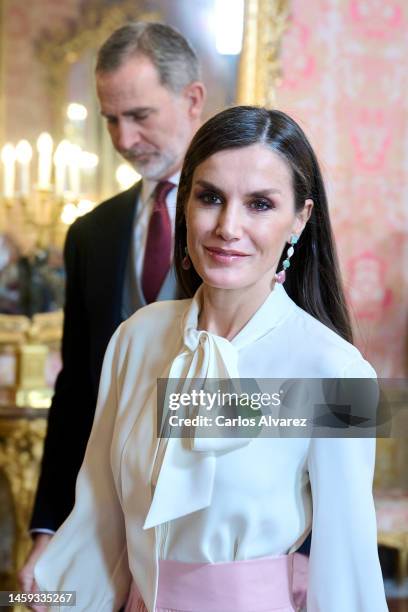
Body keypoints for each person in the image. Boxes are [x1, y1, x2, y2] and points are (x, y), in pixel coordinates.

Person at [34, 106, 388, 612]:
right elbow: (100, 520)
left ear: (300, 219)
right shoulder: (136, 339)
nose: (228, 226)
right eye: (211, 197)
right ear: (185, 205)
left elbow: (347, 562)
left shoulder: (337, 370)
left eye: (260, 204)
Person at [19, 21, 206, 596]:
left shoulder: (255, 222)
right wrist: (49, 526)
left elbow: (314, 397)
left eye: (140, 115)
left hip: (214, 527)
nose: (123, 139)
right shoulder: (91, 233)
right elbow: (76, 388)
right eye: (110, 119)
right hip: (107, 521)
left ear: (192, 99)